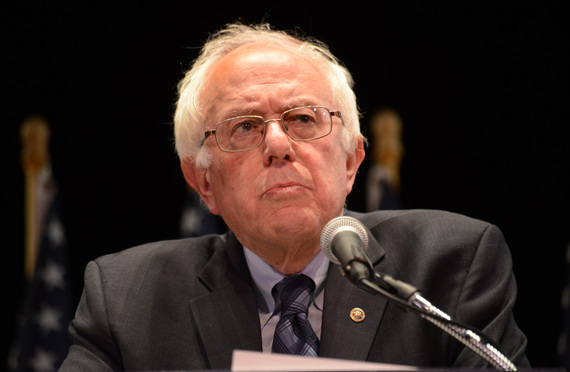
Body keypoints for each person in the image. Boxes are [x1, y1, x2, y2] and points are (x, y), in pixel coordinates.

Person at [59, 23, 529, 371]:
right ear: (203, 183)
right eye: (244, 127)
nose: (279, 145)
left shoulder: (451, 265)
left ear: (351, 162)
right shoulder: (124, 298)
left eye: (303, 118)